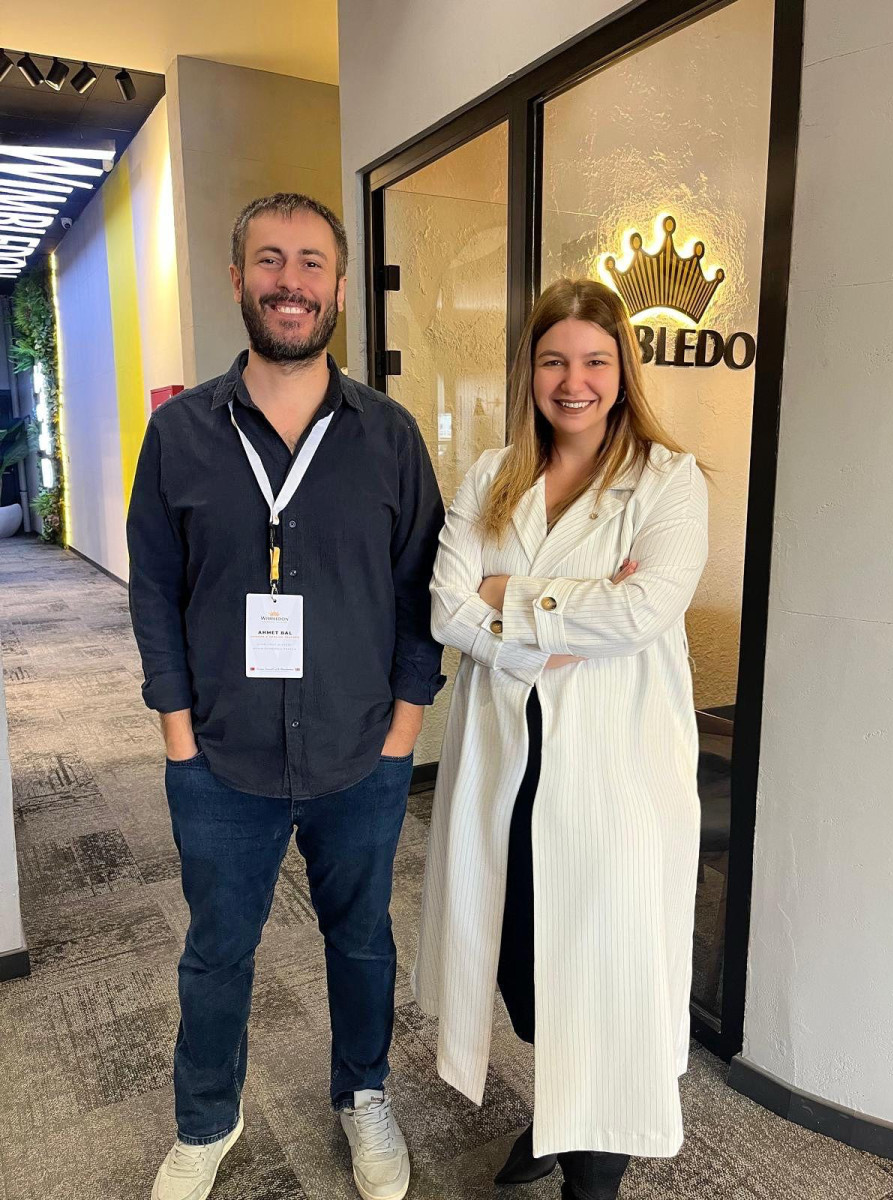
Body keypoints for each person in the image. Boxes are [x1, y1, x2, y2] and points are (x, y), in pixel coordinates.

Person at [127, 192, 445, 1200]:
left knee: (362, 941)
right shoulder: (180, 434)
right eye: (270, 260)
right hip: (221, 760)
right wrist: (179, 737)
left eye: (312, 263)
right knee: (217, 952)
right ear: (238, 280)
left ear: (340, 289)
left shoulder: (389, 437)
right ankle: (206, 1122)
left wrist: (404, 731)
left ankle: (363, 1094)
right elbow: (153, 590)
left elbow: (422, 592)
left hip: (362, 753)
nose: (291, 282)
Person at [414, 278, 709, 1199]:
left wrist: (507, 596)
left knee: (604, 970)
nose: (573, 381)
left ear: (622, 371)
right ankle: (560, 1106)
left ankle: (592, 1171)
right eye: (553, 361)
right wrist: (557, 625)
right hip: (508, 763)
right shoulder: (493, 475)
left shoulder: (668, 481)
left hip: (615, 771)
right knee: (521, 961)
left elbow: (643, 611)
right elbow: (444, 608)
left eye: (593, 361)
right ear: (530, 371)